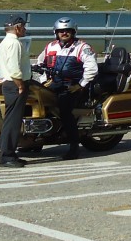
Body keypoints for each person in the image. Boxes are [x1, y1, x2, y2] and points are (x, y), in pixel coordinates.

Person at [36, 17, 98, 159]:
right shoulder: (51, 46)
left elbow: (92, 68)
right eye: (61, 31)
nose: (64, 33)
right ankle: (35, 141)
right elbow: (40, 63)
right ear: (56, 32)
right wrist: (44, 80)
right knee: (38, 102)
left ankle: (74, 147)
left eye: (67, 31)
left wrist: (80, 85)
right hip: (55, 84)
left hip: (73, 86)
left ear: (73, 31)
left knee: (64, 110)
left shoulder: (82, 47)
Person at [0, 14, 32, 168]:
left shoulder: (4, 42)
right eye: (23, 27)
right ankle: (7, 156)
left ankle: (10, 153)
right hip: (14, 84)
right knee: (12, 122)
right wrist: (20, 85)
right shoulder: (14, 43)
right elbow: (13, 67)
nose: (24, 29)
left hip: (9, 83)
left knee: (12, 120)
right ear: (17, 27)